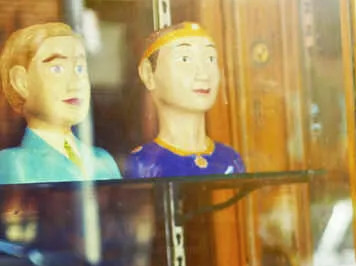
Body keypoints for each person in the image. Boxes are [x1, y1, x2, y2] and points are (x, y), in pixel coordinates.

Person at [0, 22, 121, 184]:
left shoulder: (104, 160)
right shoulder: (14, 164)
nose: (76, 83)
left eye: (80, 69)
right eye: (57, 69)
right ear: (21, 82)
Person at [124, 21, 245, 178]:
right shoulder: (146, 163)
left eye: (210, 59)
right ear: (148, 73)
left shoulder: (230, 160)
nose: (203, 73)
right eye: (185, 59)